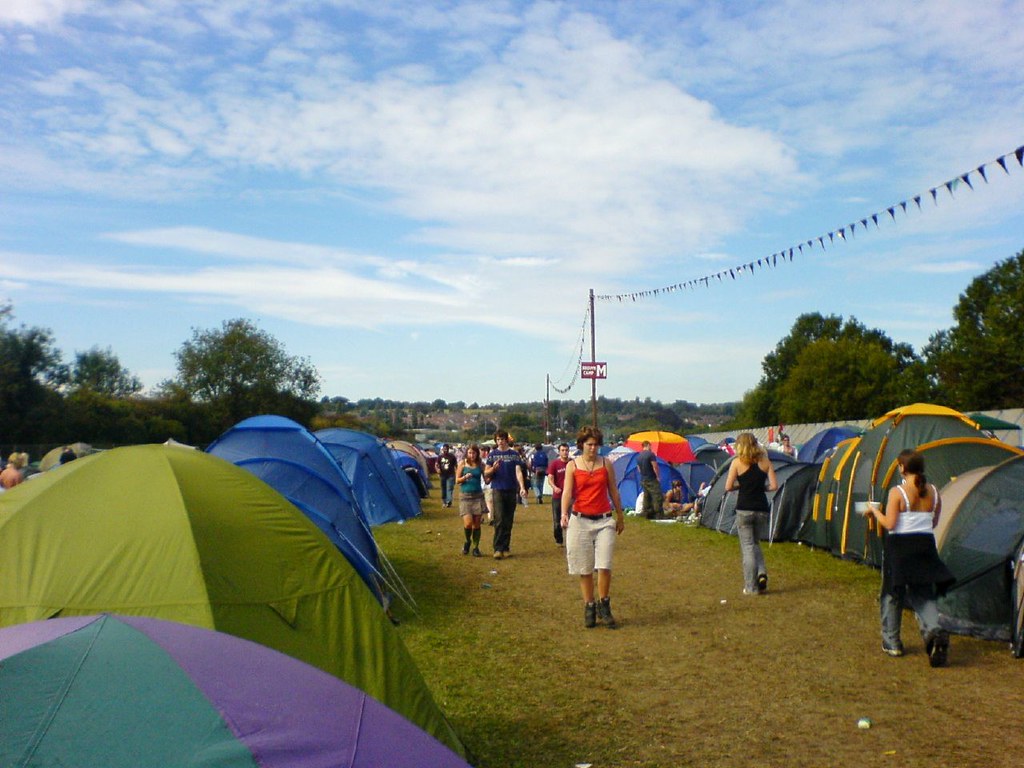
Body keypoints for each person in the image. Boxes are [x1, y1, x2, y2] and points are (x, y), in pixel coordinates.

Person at [868, 450, 955, 666]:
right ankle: (934, 631)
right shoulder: (934, 492)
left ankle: (892, 642)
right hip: (925, 545)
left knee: (892, 593)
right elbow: (933, 523)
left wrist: (873, 511)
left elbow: (889, 524)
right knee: (923, 594)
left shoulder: (898, 492)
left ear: (902, 468)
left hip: (900, 548)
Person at [560, 425, 625, 629]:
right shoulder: (573, 466)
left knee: (604, 565)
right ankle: (589, 605)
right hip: (580, 520)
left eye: (596, 444)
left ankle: (604, 604)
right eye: (589, 444)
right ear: (581, 445)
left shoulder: (606, 464)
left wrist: (620, 515)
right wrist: (563, 514)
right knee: (584, 567)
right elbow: (567, 493)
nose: (593, 448)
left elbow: (613, 490)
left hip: (604, 519)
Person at [724, 432, 778, 595]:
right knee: (755, 543)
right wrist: (762, 488)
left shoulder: (736, 463)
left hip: (744, 509)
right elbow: (774, 486)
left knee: (747, 547)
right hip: (761, 508)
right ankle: (761, 572)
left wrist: (740, 487)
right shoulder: (765, 462)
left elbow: (728, 487)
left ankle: (751, 587)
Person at [483, 429, 527, 559]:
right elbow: (486, 472)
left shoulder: (514, 454)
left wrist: (522, 487)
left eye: (502, 439)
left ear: (506, 440)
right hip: (498, 489)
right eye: (497, 440)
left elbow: (518, 471)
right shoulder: (492, 455)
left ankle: (506, 547)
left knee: (508, 520)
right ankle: (497, 548)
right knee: (499, 519)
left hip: (511, 489)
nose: (500, 442)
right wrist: (493, 469)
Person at [455, 444, 486, 557]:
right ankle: (467, 541)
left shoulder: (480, 465)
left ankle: (476, 547)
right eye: (469, 453)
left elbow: (486, 479)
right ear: (466, 453)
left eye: (474, 453)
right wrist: (464, 477)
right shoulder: (462, 464)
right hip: (465, 496)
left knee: (476, 524)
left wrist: (493, 472)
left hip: (477, 496)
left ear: (477, 453)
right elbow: (457, 480)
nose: (472, 455)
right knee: (468, 524)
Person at [546, 443, 571, 546]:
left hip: (571, 496)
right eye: (563, 450)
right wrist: (554, 487)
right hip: (558, 497)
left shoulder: (572, 463)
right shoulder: (554, 464)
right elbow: (550, 478)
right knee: (557, 520)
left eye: (566, 450)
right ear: (559, 452)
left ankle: (571, 540)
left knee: (572, 519)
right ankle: (559, 539)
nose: (565, 452)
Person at [636, 440, 663, 519]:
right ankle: (658, 514)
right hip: (651, 478)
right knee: (657, 496)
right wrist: (658, 476)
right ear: (648, 445)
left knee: (646, 497)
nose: (651, 447)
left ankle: (646, 513)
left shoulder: (639, 456)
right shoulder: (651, 454)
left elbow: (639, 469)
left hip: (643, 478)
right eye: (650, 446)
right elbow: (655, 466)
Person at [437, 444, 457, 508]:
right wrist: (438, 469)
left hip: (451, 474)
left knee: (449, 488)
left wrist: (458, 472)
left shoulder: (452, 456)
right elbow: (437, 464)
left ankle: (449, 502)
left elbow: (456, 465)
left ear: (448, 449)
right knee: (443, 488)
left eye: (446, 449)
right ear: (442, 449)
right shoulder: (440, 457)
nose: (445, 450)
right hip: (442, 475)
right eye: (444, 449)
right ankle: (444, 501)